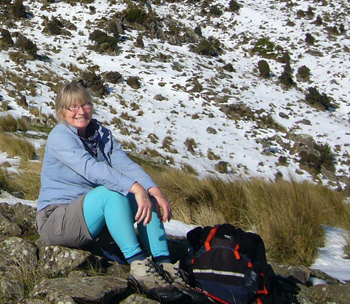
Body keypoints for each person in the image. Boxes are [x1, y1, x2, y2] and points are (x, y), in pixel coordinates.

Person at [36, 82, 204, 303]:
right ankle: (139, 266)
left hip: (90, 216)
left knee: (146, 197)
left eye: (84, 104)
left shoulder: (100, 134)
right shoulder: (60, 137)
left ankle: (164, 265)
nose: (80, 111)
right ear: (61, 113)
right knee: (112, 193)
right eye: (72, 107)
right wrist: (134, 188)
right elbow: (91, 168)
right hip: (57, 219)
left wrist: (153, 190)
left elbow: (124, 164)